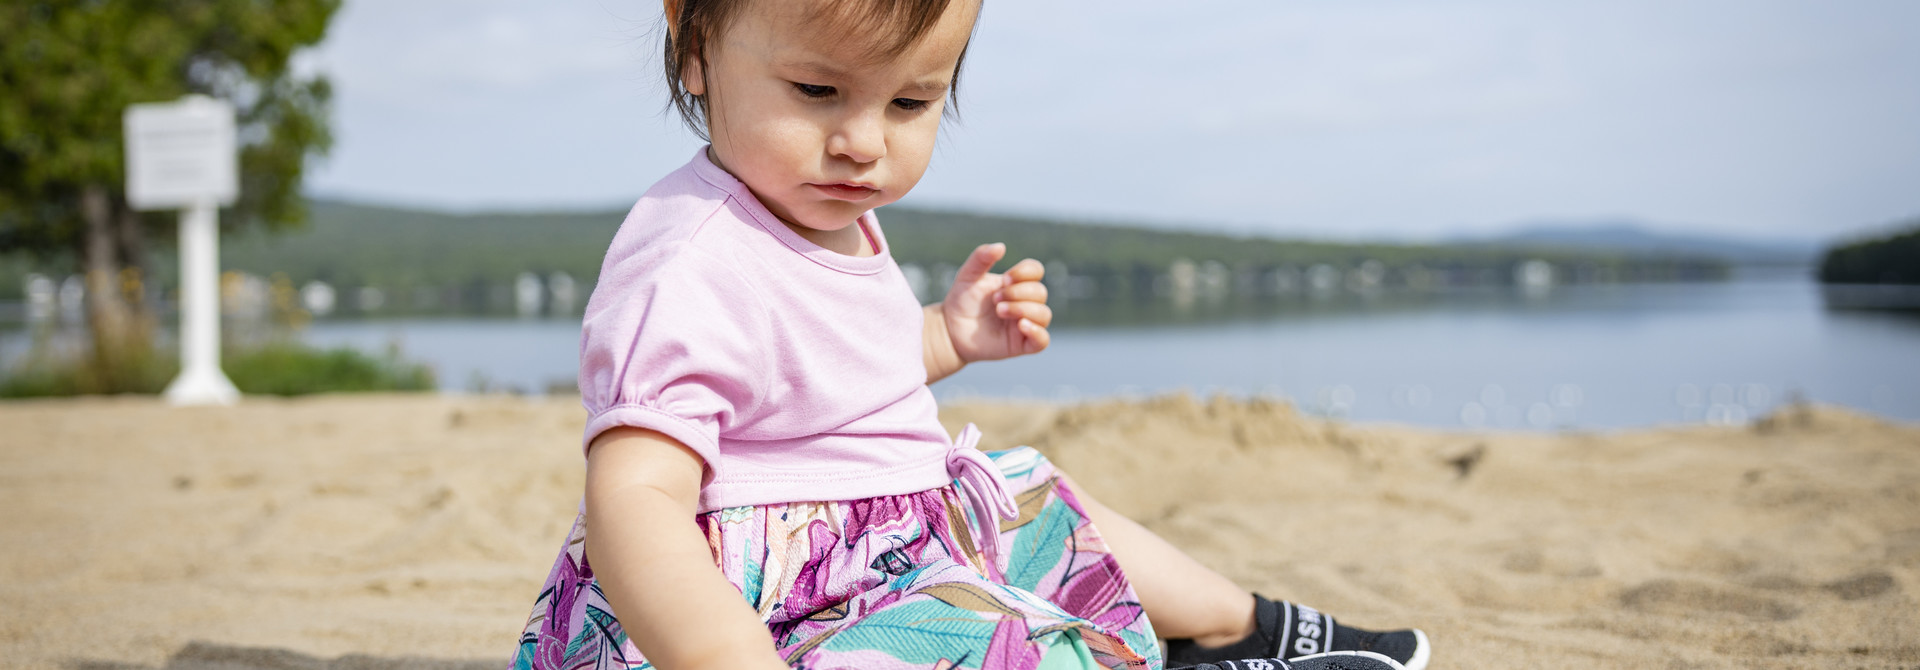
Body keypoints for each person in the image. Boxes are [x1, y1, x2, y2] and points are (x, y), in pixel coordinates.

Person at [510, 0, 1430, 668]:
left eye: (911, 104)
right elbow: (636, 501)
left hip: (892, 542)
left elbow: (820, 380)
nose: (864, 141)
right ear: (693, 43)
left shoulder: (816, 208)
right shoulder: (688, 261)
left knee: (1027, 491)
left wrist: (945, 338)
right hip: (765, 617)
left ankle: (1236, 626)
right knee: (1000, 640)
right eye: (818, 89)